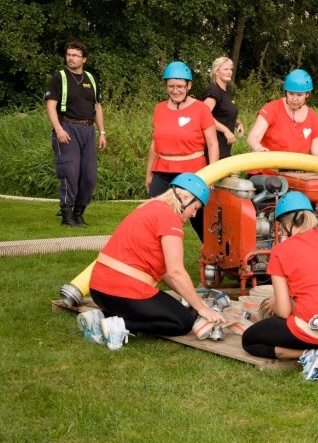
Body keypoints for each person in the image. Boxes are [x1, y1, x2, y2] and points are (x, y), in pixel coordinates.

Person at [77, 173, 226, 351]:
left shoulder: (150, 207)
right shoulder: (170, 217)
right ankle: (121, 326)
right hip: (123, 291)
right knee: (182, 321)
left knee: (176, 310)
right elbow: (175, 272)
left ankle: (100, 317)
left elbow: (164, 273)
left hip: (99, 290)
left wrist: (193, 299)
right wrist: (201, 308)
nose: (194, 215)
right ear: (184, 198)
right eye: (195, 208)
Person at [241, 191, 318, 380]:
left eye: (282, 226)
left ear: (288, 224)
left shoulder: (280, 251)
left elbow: (283, 312)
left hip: (315, 333)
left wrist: (275, 304)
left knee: (249, 340)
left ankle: (309, 354)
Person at [146, 61, 219, 242]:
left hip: (192, 171)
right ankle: (154, 259)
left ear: (189, 86)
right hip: (162, 170)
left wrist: (212, 175)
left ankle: (213, 258)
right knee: (155, 215)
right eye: (171, 86)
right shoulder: (159, 108)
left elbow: (212, 144)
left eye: (180, 86)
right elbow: (155, 143)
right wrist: (149, 173)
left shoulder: (201, 108)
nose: (175, 90)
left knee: (200, 219)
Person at [45, 41, 107, 227]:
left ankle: (79, 212)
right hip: (67, 128)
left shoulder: (91, 79)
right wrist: (59, 129)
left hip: (88, 130)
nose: (71, 58)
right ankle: (67, 214)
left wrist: (102, 132)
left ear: (84, 59)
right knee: (69, 172)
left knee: (89, 175)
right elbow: (50, 105)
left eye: (75, 55)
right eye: (69, 54)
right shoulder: (60, 77)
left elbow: (97, 107)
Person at [246, 69, 318, 168]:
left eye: (299, 95)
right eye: (291, 94)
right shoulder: (271, 109)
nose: (294, 99)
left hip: (294, 173)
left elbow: (317, 148)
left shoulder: (312, 116)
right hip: (266, 172)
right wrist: (258, 148)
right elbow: (253, 136)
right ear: (285, 92)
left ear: (307, 94)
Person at [201, 57, 244, 160]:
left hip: (224, 147)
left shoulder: (227, 90)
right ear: (216, 72)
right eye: (225, 69)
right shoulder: (213, 90)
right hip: (212, 147)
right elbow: (204, 115)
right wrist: (226, 130)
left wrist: (238, 123)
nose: (229, 72)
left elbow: (223, 113)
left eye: (231, 69)